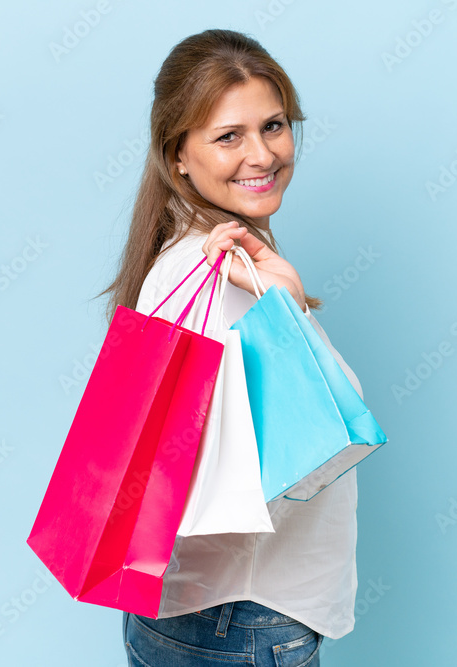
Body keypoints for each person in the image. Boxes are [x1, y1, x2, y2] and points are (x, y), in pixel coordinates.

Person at [97, 28, 367, 667]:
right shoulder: (223, 277)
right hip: (241, 620)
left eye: (274, 126)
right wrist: (290, 303)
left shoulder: (179, 258)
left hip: (188, 609)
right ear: (179, 157)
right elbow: (326, 439)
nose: (262, 154)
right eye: (228, 136)